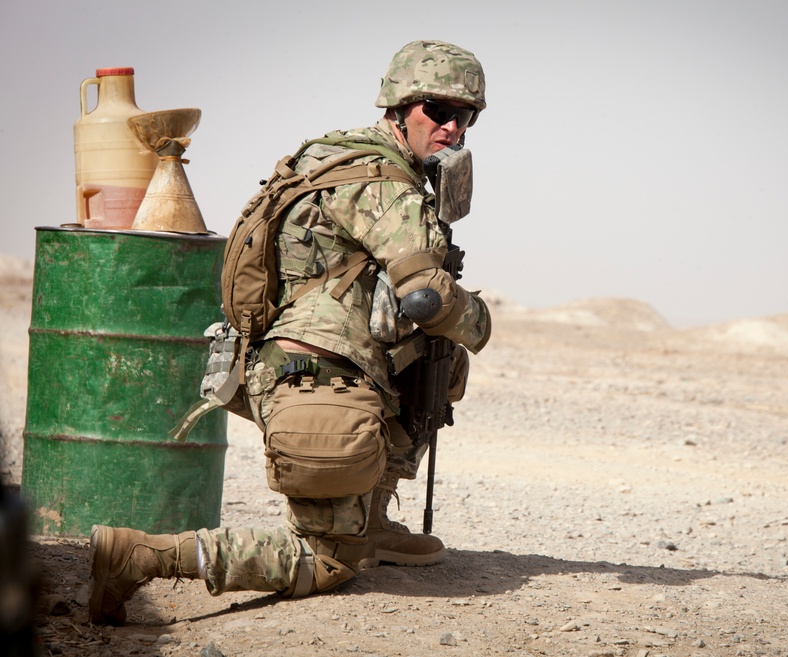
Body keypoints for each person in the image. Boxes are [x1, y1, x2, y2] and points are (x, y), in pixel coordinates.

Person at [89, 40, 491, 625]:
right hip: (317, 379)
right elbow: (425, 295)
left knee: (438, 361)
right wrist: (480, 320)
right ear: (400, 106)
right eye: (437, 109)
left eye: (466, 115)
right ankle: (140, 556)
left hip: (293, 367)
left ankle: (369, 520)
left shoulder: (333, 156)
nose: (452, 127)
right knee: (325, 563)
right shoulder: (385, 183)